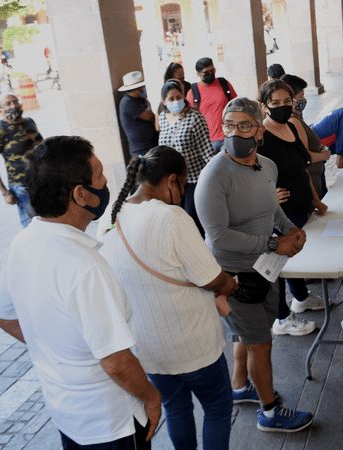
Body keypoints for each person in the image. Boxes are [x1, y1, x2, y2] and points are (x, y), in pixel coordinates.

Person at [0, 136, 162, 449]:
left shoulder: (22, 243)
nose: (105, 181)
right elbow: (116, 362)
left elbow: (4, 316)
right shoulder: (85, 266)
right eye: (99, 175)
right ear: (81, 194)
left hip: (67, 415)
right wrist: (152, 398)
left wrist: (57, 350)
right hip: (111, 423)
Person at [97, 146, 238, 450]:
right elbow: (212, 279)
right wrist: (231, 283)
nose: (183, 193)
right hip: (194, 346)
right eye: (183, 185)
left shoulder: (111, 215)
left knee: (176, 410)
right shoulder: (171, 217)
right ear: (173, 180)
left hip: (147, 347)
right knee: (217, 408)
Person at [195, 97, 315, 432]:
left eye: (244, 125)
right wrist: (275, 243)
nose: (235, 133)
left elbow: (271, 208)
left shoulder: (266, 165)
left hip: (265, 267)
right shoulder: (214, 176)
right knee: (261, 343)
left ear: (259, 130)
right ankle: (270, 411)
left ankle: (239, 386)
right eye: (229, 125)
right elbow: (218, 236)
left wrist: (288, 228)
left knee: (246, 335)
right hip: (233, 276)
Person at [258, 79, 327, 336]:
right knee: (277, 263)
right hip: (281, 212)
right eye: (275, 103)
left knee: (294, 254)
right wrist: (267, 196)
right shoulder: (261, 136)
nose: (283, 107)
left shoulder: (291, 126)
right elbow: (251, 174)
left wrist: (316, 200)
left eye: (287, 101)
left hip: (302, 206)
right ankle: (282, 318)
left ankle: (301, 297)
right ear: (264, 106)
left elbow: (302, 168)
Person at [158, 79, 215, 236]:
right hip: (172, 179)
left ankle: (200, 246)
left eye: (178, 97)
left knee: (192, 217)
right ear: (164, 101)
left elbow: (206, 149)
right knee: (178, 218)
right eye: (171, 99)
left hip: (194, 178)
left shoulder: (195, 117)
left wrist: (214, 177)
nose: (176, 101)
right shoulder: (162, 118)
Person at [281, 74, 331, 197]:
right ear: (291, 99)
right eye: (301, 96)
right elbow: (303, 156)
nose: (303, 100)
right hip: (310, 183)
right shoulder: (292, 120)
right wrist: (324, 155)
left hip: (315, 179)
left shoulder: (295, 117)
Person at [0, 93, 43, 228]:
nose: (13, 106)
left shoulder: (29, 122)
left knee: (49, 219)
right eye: (8, 104)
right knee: (32, 225)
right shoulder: (1, 129)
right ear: (1, 110)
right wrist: (5, 192)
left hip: (42, 180)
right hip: (22, 186)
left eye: (15, 102)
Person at [187, 57, 237, 154]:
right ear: (198, 73)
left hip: (227, 135)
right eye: (206, 73)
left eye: (212, 71)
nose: (210, 74)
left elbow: (236, 104)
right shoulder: (192, 93)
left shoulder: (224, 84)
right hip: (206, 141)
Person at [118, 71, 158, 158]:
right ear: (136, 89)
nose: (143, 89)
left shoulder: (139, 99)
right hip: (141, 149)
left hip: (151, 145)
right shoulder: (128, 102)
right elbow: (148, 116)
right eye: (141, 87)